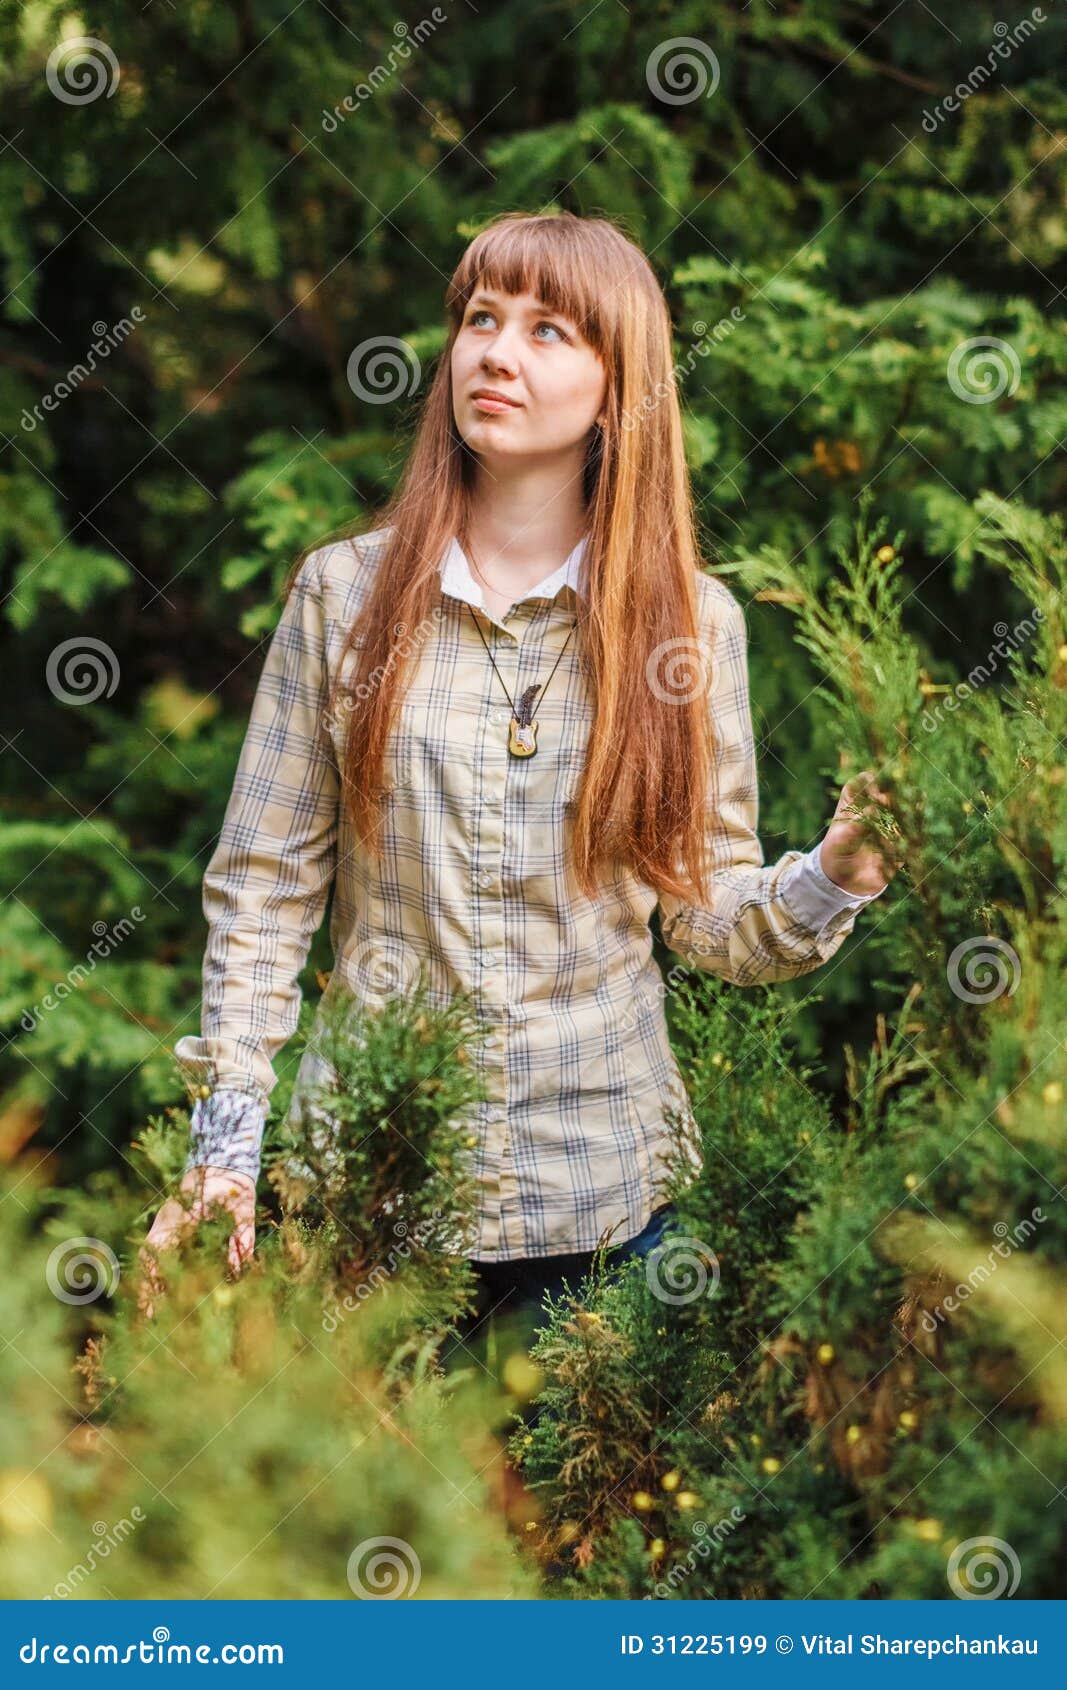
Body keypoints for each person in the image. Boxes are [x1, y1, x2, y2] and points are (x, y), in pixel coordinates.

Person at [138, 211, 897, 1357]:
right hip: (375, 1199)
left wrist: (833, 877)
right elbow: (260, 892)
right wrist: (225, 1154)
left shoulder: (691, 625)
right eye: (480, 319)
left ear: (616, 388)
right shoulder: (341, 597)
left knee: (585, 1534)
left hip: (608, 1209)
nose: (496, 353)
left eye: (549, 331)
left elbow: (706, 915)